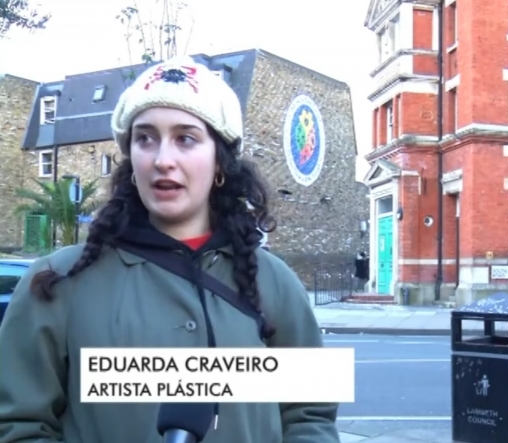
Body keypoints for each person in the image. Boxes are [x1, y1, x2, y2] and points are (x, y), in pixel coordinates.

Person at [0, 56, 340, 443]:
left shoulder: (277, 282)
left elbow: (311, 416)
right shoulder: (57, 282)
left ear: (220, 162)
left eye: (186, 138)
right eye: (145, 138)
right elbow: (19, 427)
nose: (163, 160)